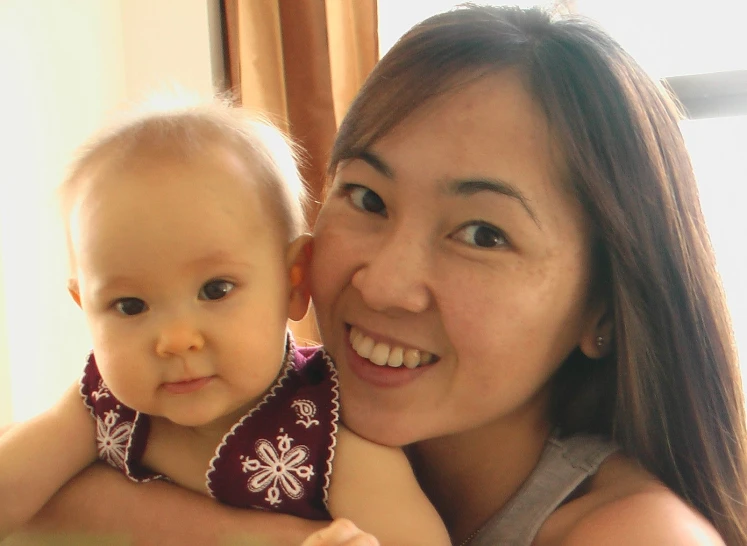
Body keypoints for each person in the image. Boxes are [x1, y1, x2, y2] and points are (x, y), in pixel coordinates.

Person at [6, 4, 747, 545]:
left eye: (482, 234)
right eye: (365, 197)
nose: (383, 283)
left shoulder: (640, 536)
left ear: (605, 310)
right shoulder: (237, 410)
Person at [0, 103, 450, 546]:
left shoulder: (329, 437)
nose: (176, 340)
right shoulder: (99, 405)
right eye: (130, 306)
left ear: (293, 283)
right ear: (85, 307)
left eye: (215, 290)